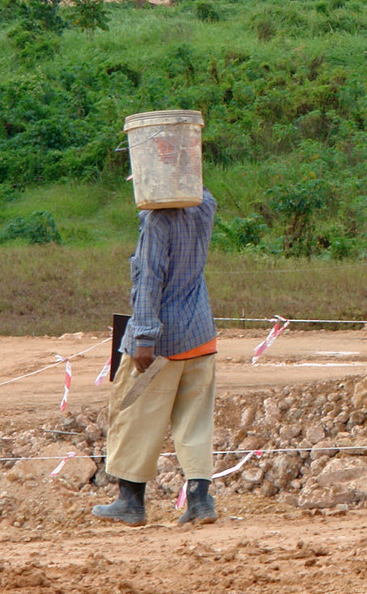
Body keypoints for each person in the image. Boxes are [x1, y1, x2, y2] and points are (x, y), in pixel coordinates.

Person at [92, 187, 218, 526]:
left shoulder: (155, 220)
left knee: (133, 416)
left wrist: (144, 336)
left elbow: (148, 280)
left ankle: (130, 503)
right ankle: (200, 502)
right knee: (196, 424)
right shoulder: (203, 206)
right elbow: (201, 189)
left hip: (161, 342)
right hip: (201, 335)